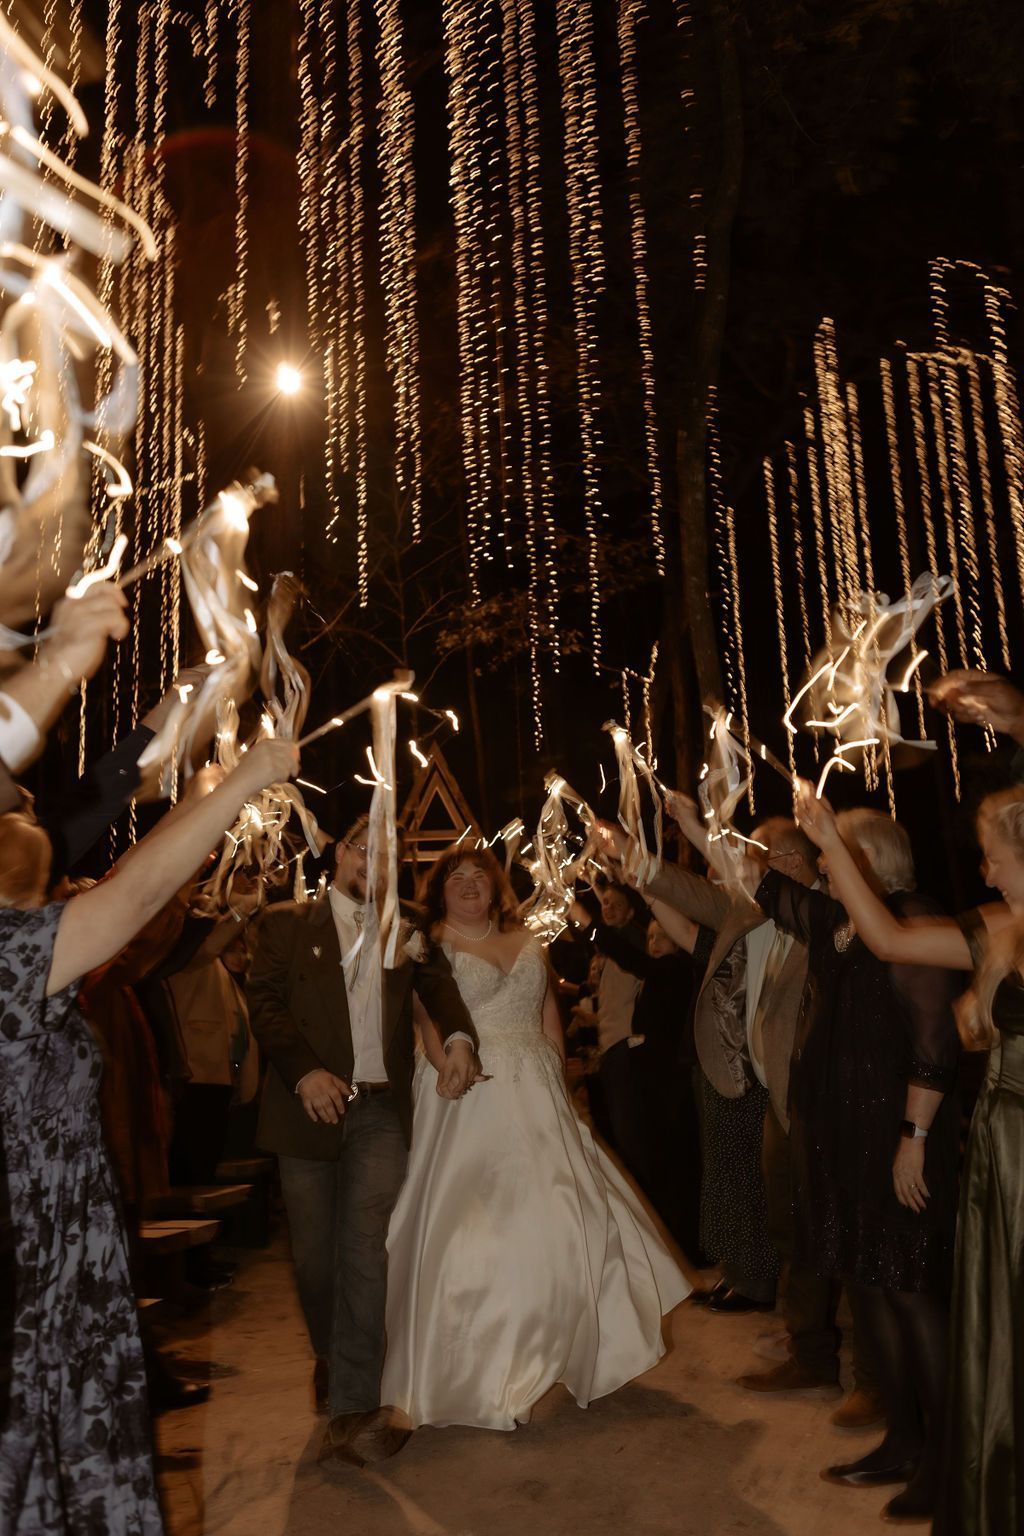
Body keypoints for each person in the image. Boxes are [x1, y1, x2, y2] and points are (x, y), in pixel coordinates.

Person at [0, 576, 297, 1533]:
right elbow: (129, 894)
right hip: (25, 1261)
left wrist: (189, 696)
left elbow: (100, 798)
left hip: (62, 1249)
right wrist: (241, 784)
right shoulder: (10, 953)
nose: (29, 801)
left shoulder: (20, 901)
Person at [380, 846, 690, 1438]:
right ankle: (483, 1364)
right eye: (456, 877)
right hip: (467, 1092)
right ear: (439, 891)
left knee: (558, 1217)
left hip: (537, 1092)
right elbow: (425, 1018)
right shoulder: (428, 944)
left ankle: (553, 1344)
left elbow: (548, 1015)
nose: (469, 884)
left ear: (496, 886)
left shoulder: (529, 942)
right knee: (476, 1226)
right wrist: (446, 1067)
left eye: (479, 875)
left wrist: (561, 1086)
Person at [796, 777, 1024, 1536]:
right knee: (989, 1308)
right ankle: (961, 1458)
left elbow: (930, 1039)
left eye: (992, 856)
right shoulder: (997, 925)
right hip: (999, 1137)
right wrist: (827, 841)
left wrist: (914, 1135)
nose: (984, 871)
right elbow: (889, 939)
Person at [247, 815, 480, 1469]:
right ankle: (331, 1354)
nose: (372, 862)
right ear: (337, 853)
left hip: (379, 1111)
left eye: (386, 854)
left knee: (365, 1251)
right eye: (361, 848)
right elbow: (264, 1004)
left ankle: (353, 1407)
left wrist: (460, 1040)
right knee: (314, 1260)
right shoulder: (287, 923)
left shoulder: (408, 926)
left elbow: (439, 989)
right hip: (307, 1111)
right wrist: (304, 1073)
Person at [755, 798, 961, 1524]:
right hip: (843, 1137)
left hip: (898, 1139)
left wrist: (914, 1139)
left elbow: (935, 1041)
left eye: (832, 851)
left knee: (911, 1295)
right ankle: (903, 1440)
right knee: (870, 1290)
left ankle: (947, 1465)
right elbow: (762, 886)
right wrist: (696, 822)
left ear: (867, 859)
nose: (819, 864)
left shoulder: (914, 919)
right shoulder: (839, 924)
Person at [569, 900, 703, 1252]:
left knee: (671, 1163)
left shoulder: (675, 969)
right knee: (659, 1159)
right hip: (656, 1080)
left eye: (662, 937)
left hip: (670, 1082)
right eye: (651, 938)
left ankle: (684, 1245)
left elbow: (630, 958)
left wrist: (589, 924)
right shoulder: (659, 974)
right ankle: (674, 1241)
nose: (653, 943)